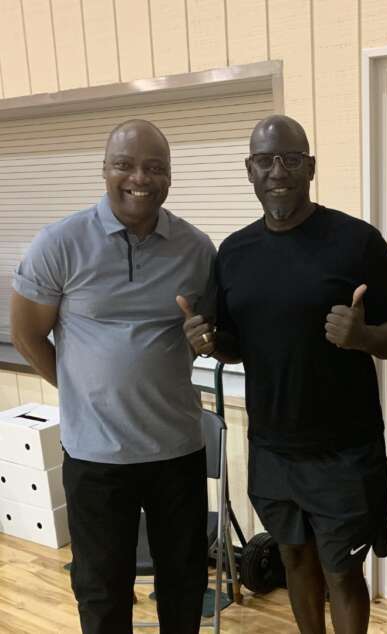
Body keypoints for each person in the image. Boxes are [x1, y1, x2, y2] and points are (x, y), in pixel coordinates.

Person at [178, 114, 387, 634]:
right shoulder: (235, 252)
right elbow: (235, 345)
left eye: (289, 158)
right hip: (272, 447)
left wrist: (364, 337)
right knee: (295, 563)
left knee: (342, 572)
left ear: (310, 166)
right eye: (265, 160)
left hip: (344, 451)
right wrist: (210, 343)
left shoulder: (357, 241)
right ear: (250, 170)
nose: (277, 170)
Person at [10, 119, 216, 634]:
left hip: (177, 451)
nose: (139, 178)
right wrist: (81, 393)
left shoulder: (196, 248)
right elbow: (26, 335)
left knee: (185, 584)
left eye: (154, 167)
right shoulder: (60, 243)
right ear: (105, 169)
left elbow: (214, 331)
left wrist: (207, 338)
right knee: (102, 593)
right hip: (96, 458)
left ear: (169, 176)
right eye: (125, 165)